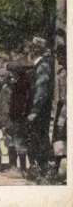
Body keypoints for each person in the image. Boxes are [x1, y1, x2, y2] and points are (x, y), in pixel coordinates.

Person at [26, 37, 55, 181]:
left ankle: (48, 170)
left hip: (40, 110)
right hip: (38, 109)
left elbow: (41, 90)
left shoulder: (42, 66)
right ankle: (43, 170)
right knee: (37, 138)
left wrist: (35, 110)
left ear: (37, 50)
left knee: (41, 138)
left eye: (32, 48)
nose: (30, 50)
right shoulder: (38, 65)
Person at [2, 60, 32, 179]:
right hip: (19, 116)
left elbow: (19, 103)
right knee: (18, 142)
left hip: (19, 117)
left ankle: (22, 170)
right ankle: (20, 168)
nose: (10, 74)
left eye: (11, 72)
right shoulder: (23, 81)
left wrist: (15, 115)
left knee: (19, 143)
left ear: (15, 71)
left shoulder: (21, 84)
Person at [51, 45, 67, 181]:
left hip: (66, 107)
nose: (58, 58)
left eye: (61, 55)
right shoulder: (60, 72)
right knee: (58, 137)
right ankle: (57, 170)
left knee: (61, 136)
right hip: (60, 106)